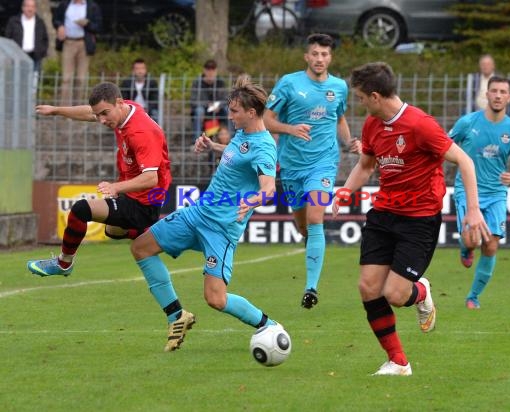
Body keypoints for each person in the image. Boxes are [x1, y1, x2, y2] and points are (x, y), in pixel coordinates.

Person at [332, 62, 489, 376]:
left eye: (362, 98)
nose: (360, 103)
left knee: (396, 295)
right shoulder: (372, 125)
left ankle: (421, 291)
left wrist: (473, 210)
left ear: (376, 96)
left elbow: (465, 161)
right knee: (368, 287)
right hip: (383, 214)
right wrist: (345, 191)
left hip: (419, 220)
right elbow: (365, 166)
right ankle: (398, 362)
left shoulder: (421, 125)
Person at [130, 77, 282, 352]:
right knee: (141, 248)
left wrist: (253, 199)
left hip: (221, 229)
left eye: (235, 111)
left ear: (251, 112)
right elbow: (238, 154)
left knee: (216, 299)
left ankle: (268, 325)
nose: (229, 115)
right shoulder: (243, 134)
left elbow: (269, 188)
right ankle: (177, 316)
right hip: (197, 214)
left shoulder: (264, 147)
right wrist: (214, 147)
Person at [27, 82, 172, 277]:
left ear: (119, 103)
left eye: (104, 113)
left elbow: (150, 178)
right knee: (112, 231)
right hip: (134, 194)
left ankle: (63, 263)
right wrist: (56, 111)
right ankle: (155, 231)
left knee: (81, 210)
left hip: (146, 200)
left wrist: (116, 187)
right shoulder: (124, 109)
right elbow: (89, 112)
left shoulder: (141, 132)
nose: (101, 120)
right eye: (99, 115)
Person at [263, 33, 361, 309]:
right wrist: (290, 129)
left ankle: (311, 288)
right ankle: (310, 241)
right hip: (292, 165)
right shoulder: (289, 83)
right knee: (303, 224)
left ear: (331, 57)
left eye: (325, 54)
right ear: (307, 56)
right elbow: (267, 120)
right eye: (315, 54)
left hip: (324, 163)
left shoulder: (339, 87)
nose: (320, 59)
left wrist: (349, 141)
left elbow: (338, 117)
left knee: (316, 217)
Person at [449, 76, 510, 310]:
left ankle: (473, 296)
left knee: (491, 246)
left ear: (509, 97)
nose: (498, 95)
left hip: (495, 194)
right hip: (467, 189)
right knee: (471, 240)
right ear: (487, 94)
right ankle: (466, 247)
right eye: (494, 91)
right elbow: (443, 145)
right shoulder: (467, 122)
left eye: (503, 91)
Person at [53, 0, 103, 105]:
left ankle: (78, 108)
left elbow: (98, 26)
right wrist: (60, 26)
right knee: (66, 78)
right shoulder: (64, 4)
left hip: (84, 43)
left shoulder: (92, 6)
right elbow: (56, 19)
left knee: (81, 78)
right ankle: (64, 109)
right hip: (68, 42)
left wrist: (87, 24)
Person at [4, 0, 49, 74]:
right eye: (28, 6)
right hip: (17, 56)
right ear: (23, 8)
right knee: (17, 79)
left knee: (34, 80)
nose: (30, 9)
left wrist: (41, 51)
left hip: (35, 56)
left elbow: (45, 39)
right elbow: (8, 37)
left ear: (35, 9)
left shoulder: (40, 22)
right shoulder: (14, 21)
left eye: (32, 6)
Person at [190, 59, 229, 142]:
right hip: (203, 110)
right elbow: (193, 101)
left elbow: (226, 99)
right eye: (208, 70)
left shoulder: (220, 82)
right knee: (199, 111)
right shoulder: (197, 83)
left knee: (228, 110)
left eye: (213, 70)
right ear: (204, 70)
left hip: (218, 110)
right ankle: (196, 141)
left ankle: (232, 138)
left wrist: (218, 105)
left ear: (216, 71)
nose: (210, 72)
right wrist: (207, 105)